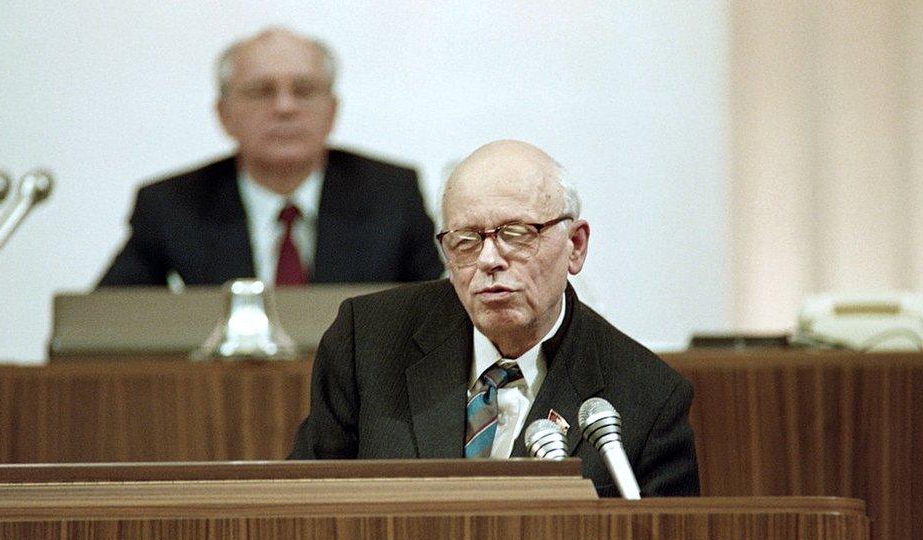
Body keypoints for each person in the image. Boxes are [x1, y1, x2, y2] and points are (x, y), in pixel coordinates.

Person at [289, 140, 700, 497]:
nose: (488, 260)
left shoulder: (648, 398)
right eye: (465, 240)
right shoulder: (368, 342)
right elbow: (301, 507)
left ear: (575, 246)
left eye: (517, 233)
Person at [98, 27, 443, 287]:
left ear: (332, 111)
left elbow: (442, 318)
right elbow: (101, 326)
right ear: (224, 114)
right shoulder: (171, 205)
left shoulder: (391, 195)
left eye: (304, 91)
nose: (284, 107)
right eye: (261, 92)